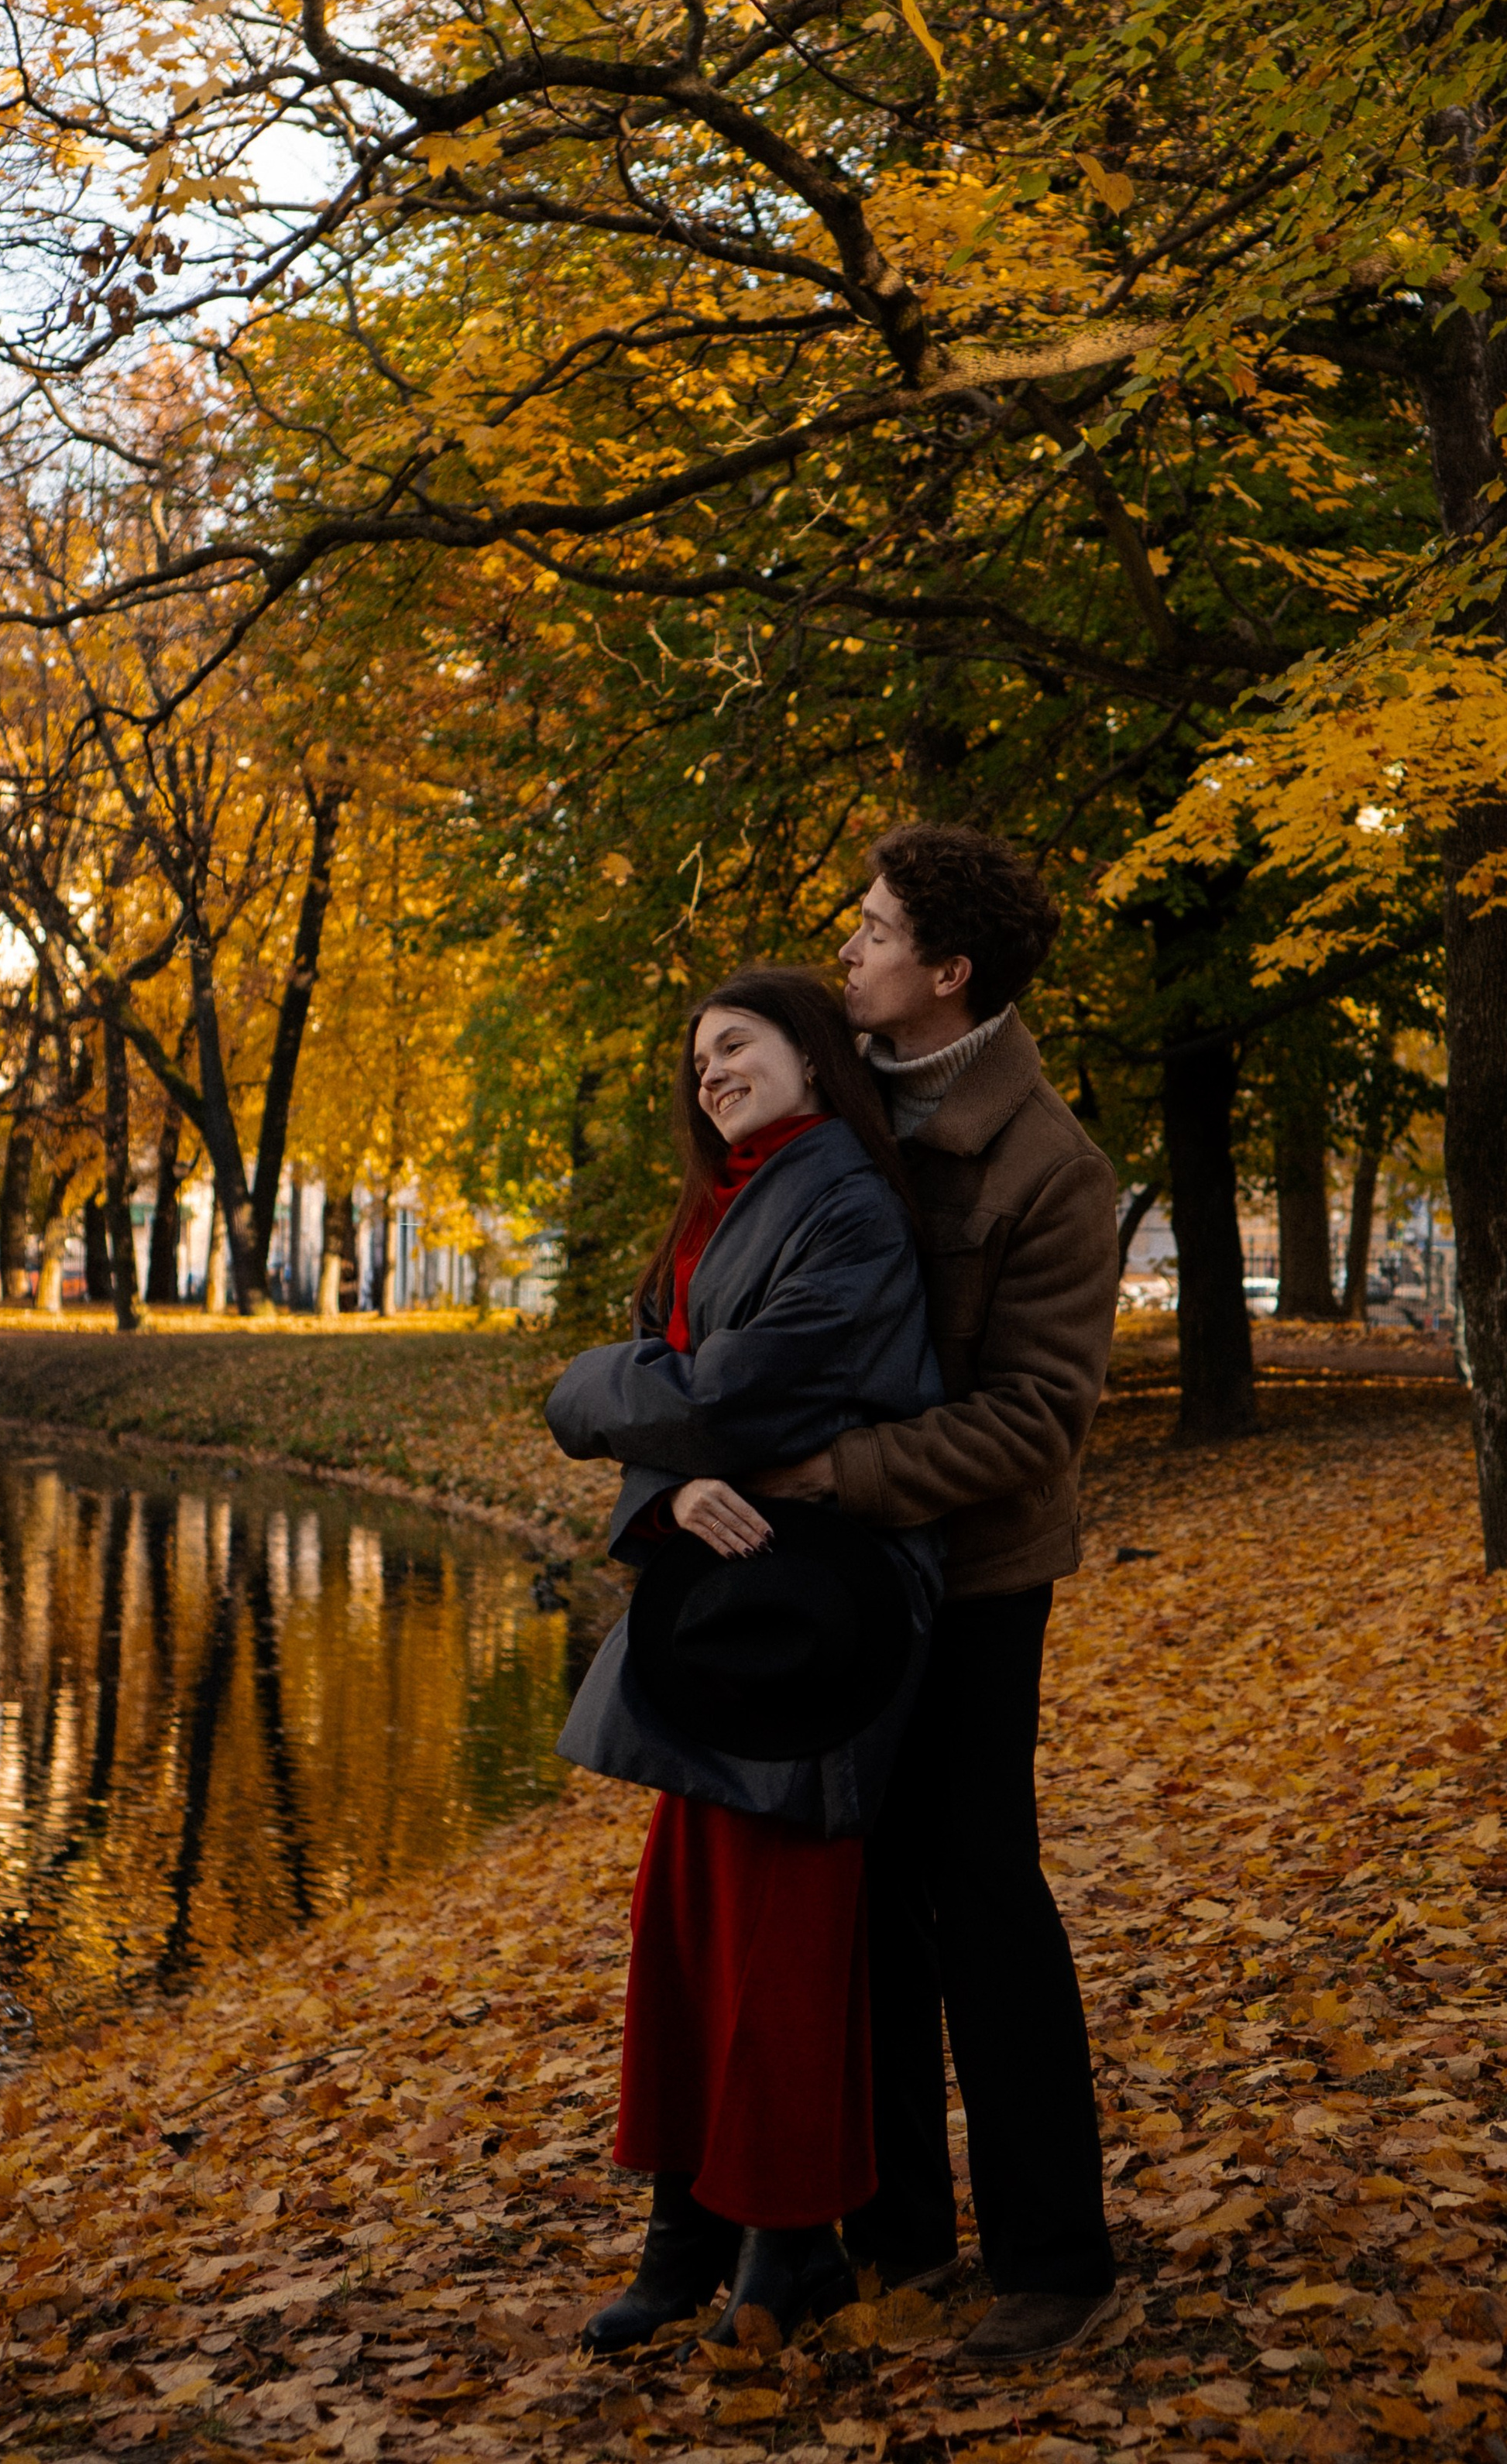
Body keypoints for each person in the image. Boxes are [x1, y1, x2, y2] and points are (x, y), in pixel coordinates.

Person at [757, 824, 1122, 2368]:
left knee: (978, 1894)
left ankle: (1050, 2258)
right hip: (834, 1580)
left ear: (948, 971)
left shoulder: (1050, 1164)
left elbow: (1037, 1418)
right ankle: (891, 2231)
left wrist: (837, 1473)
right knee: (862, 1906)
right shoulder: (830, 1102)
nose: (848, 943)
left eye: (875, 926)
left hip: (972, 1579)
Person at [545, 966, 945, 2356]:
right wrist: (661, 1488)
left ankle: (791, 2245)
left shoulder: (843, 1197)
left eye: (739, 1045)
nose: (711, 1071)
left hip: (819, 1609)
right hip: (723, 1590)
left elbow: (725, 1394)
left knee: (782, 1928)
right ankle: (685, 2236)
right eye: (698, 1058)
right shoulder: (717, 1205)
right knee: (687, 1922)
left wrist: (616, 1404)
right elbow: (664, 1406)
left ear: (817, 1058)